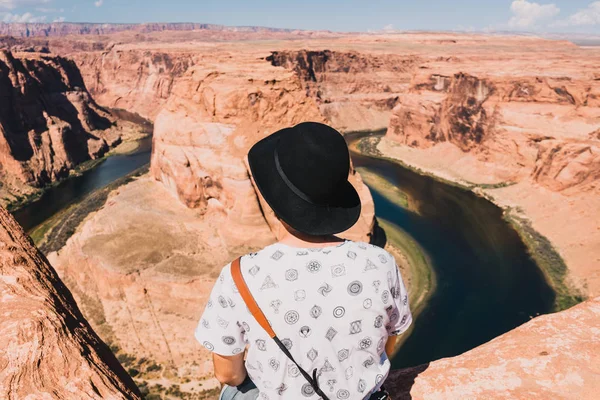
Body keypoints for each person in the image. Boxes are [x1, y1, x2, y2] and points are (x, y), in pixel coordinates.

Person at [195, 122, 412, 400]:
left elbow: (229, 374)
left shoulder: (240, 274)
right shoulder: (381, 262)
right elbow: (390, 340)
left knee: (232, 393)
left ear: (276, 204)